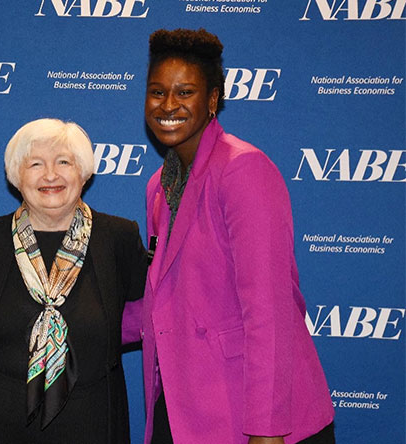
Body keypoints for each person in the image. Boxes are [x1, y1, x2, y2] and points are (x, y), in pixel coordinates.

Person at [123, 28, 335, 444]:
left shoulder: (242, 170)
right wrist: (80, 324)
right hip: (189, 410)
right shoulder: (158, 186)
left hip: (256, 418)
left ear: (213, 101)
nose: (168, 105)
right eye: (157, 92)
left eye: (185, 92)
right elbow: (166, 300)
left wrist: (267, 430)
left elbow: (268, 310)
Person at [0, 118, 147, 444]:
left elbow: (153, 320)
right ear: (17, 177)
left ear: (83, 171)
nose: (50, 175)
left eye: (63, 162)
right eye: (36, 164)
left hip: (90, 424)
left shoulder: (119, 239)